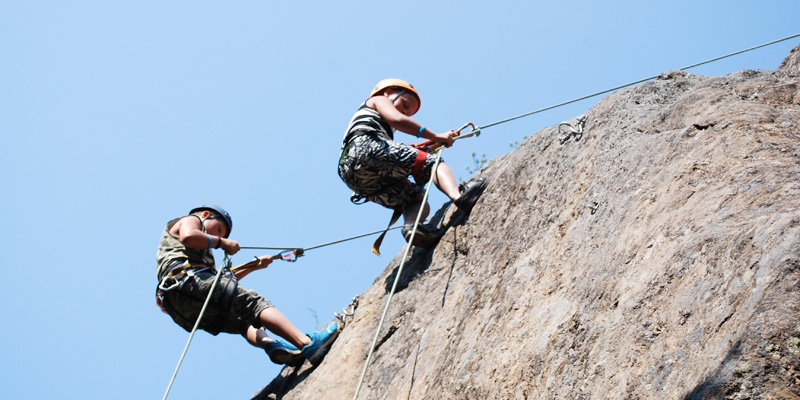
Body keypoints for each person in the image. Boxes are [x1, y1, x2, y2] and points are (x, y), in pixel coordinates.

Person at [155, 204, 339, 366]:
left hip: (182, 306)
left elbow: (221, 285)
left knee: (244, 322)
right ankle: (307, 344)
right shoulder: (191, 220)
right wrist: (222, 242)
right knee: (255, 303)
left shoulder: (202, 254)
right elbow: (188, 236)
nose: (216, 235)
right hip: (186, 281)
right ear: (205, 214)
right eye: (218, 228)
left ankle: (272, 346)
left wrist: (254, 266)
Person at [338, 79, 487, 248]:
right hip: (365, 148)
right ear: (388, 92)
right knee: (432, 163)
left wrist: (435, 144)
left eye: (408, 112)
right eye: (405, 104)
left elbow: (400, 157)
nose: (405, 112)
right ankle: (459, 197)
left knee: (415, 198)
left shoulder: (375, 126)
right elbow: (397, 120)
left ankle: (412, 228)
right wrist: (437, 136)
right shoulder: (379, 100)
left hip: (354, 175)